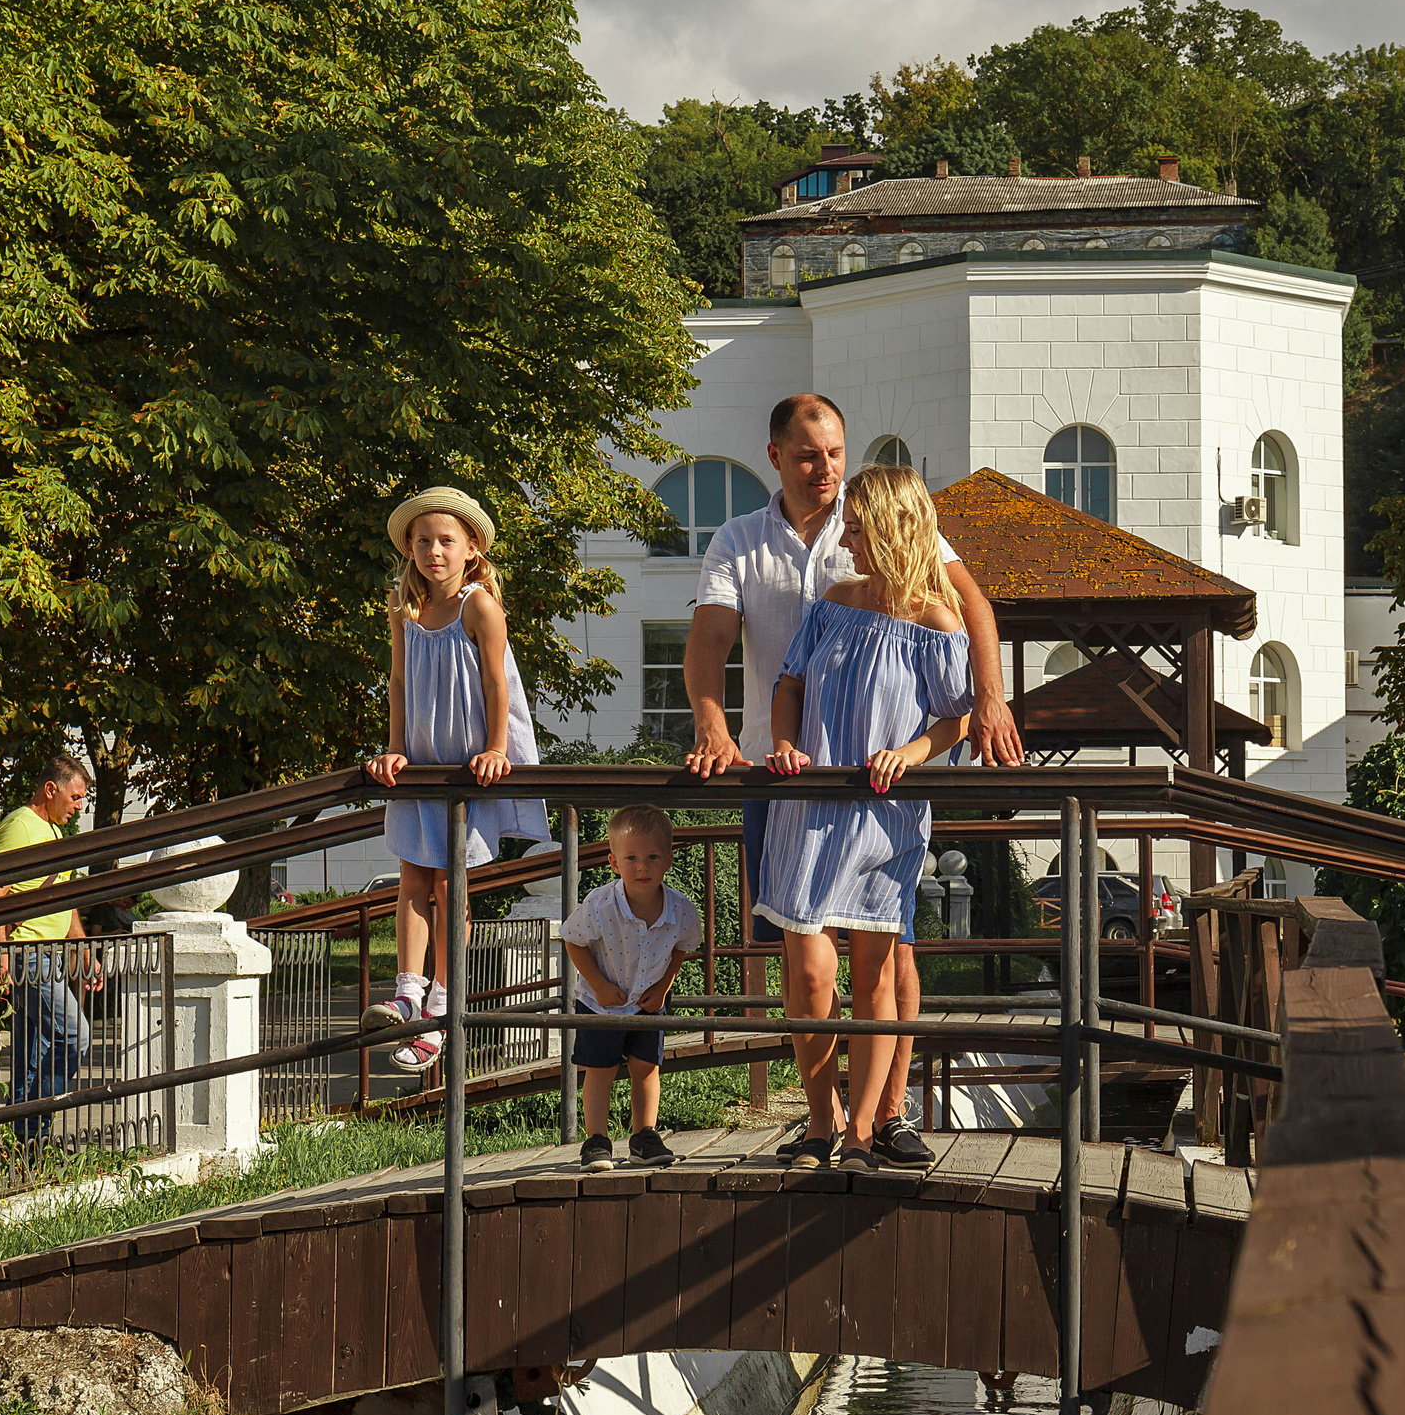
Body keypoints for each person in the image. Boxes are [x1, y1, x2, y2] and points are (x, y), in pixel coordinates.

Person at [683, 393, 1021, 1165]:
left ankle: (885, 1116)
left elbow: (971, 610)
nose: (826, 468)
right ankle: (823, 1118)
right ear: (776, 457)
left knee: (889, 958)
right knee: (803, 963)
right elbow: (711, 644)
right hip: (788, 775)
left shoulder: (881, 514)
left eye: (835, 451)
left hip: (878, 794)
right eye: (809, 455)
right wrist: (712, 725)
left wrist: (990, 703)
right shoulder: (739, 540)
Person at [755, 466, 974, 1170]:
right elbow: (789, 683)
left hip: (885, 814)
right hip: (809, 805)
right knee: (811, 970)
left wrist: (910, 752)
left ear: (894, 529)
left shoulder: (936, 620)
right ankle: (821, 1118)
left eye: (856, 527)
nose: (845, 538)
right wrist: (784, 742)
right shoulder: (831, 602)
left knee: (876, 972)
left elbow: (957, 718)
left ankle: (860, 1135)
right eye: (847, 526)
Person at [360, 486, 548, 1069]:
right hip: (421, 768)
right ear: (410, 550)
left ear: (471, 550)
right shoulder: (404, 607)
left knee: (450, 887)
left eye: (446, 541)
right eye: (423, 541)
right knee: (412, 877)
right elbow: (397, 684)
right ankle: (408, 992)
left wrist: (496, 749)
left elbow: (497, 685)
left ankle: (442, 1005)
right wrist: (394, 751)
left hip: (466, 770)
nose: (433, 551)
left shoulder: (478, 606)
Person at [560, 804, 702, 1172]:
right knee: (600, 1068)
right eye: (632, 858)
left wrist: (665, 985)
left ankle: (644, 1135)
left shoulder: (681, 910)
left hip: (646, 1004)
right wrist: (598, 984)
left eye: (653, 857)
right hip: (599, 1001)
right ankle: (596, 1141)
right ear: (613, 862)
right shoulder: (600, 905)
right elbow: (573, 940)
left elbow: (683, 947)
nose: (642, 866)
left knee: (646, 1066)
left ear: (668, 860)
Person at [0, 754, 98, 1142]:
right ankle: (38, 1125)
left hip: (50, 957)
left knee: (33, 1057)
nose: (79, 806)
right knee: (74, 1034)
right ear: (51, 790)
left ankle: (26, 1145)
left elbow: (65, 900)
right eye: (76, 796)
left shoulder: (54, 833)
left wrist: (83, 949)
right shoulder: (20, 826)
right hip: (26, 955)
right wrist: (0, 956)